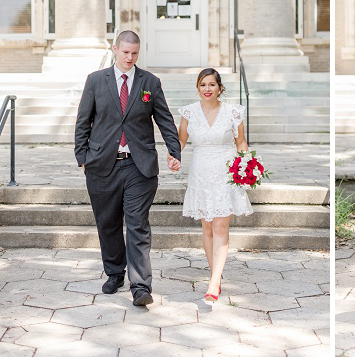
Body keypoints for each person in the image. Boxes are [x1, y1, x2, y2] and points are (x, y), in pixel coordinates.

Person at [74, 30, 182, 306]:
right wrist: (82, 156)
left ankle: (141, 286)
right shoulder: (96, 81)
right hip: (102, 165)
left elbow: (165, 120)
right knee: (107, 223)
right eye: (125, 53)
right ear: (115, 49)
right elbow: (83, 122)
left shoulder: (150, 82)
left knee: (137, 225)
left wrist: (174, 151)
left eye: (134, 53)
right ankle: (114, 273)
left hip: (139, 166)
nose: (130, 58)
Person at [177, 68, 253, 304]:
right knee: (207, 227)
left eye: (211, 85)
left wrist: (248, 167)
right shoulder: (188, 112)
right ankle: (216, 277)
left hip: (225, 172)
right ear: (197, 88)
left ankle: (213, 282)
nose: (207, 89)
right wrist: (173, 157)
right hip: (200, 173)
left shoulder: (233, 112)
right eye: (203, 85)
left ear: (220, 87)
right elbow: (180, 141)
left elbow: (241, 143)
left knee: (221, 226)